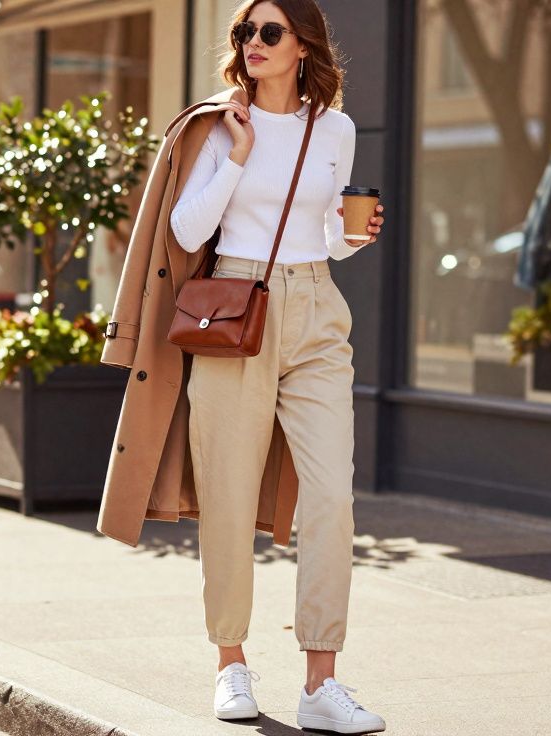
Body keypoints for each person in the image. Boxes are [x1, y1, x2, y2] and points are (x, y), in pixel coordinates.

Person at [169, 1, 385, 731]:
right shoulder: (220, 122)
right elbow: (187, 229)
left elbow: (327, 236)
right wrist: (237, 153)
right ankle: (230, 663)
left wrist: (358, 236)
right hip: (237, 307)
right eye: (244, 32)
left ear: (303, 46)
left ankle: (321, 683)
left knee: (330, 496)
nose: (253, 43)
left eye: (269, 32)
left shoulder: (336, 129)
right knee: (228, 490)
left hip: (317, 310)